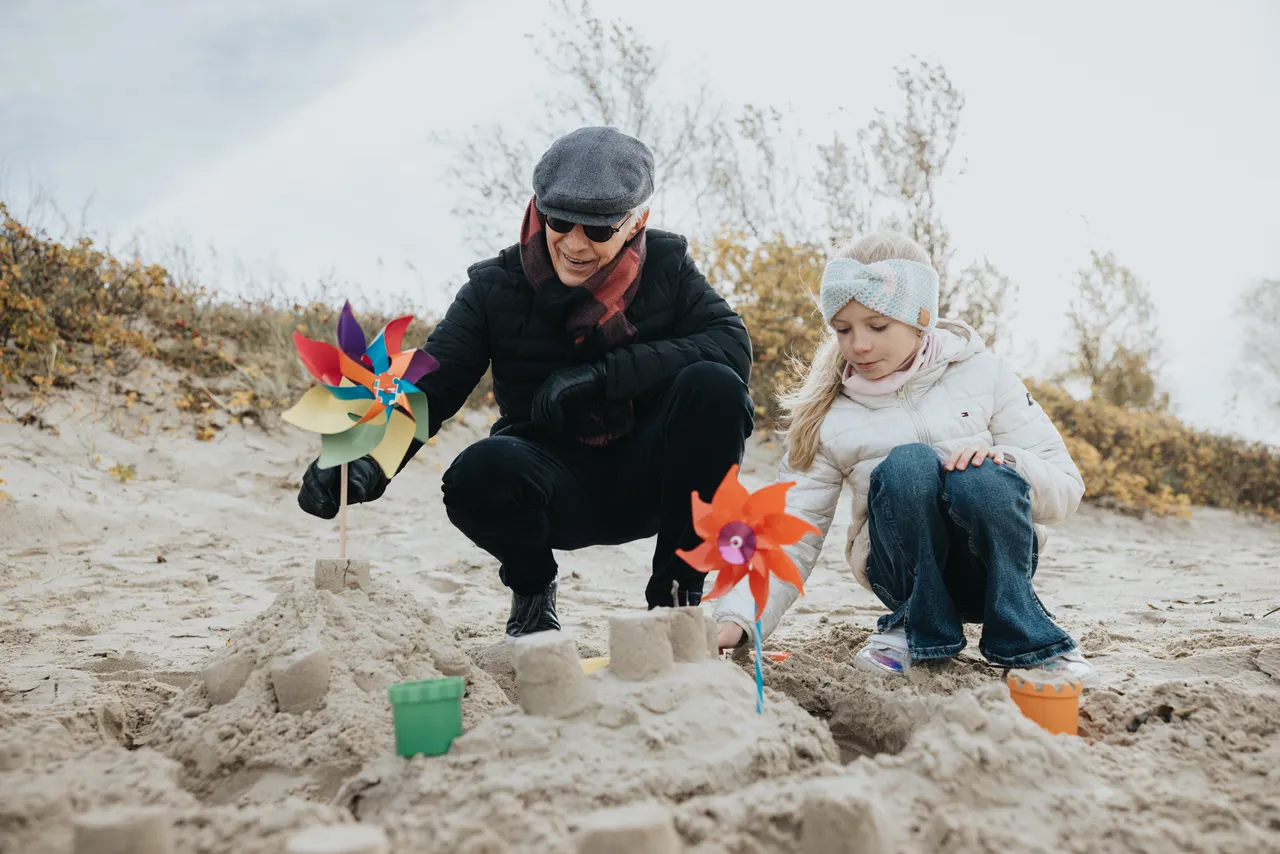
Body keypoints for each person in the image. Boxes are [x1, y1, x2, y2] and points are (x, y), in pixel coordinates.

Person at [297, 126, 754, 636]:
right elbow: (434, 382)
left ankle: (674, 606)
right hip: (549, 488)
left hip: (653, 482)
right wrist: (362, 458)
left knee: (715, 387)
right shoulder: (493, 287)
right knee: (480, 470)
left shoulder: (668, 266)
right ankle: (534, 595)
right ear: (539, 207)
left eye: (599, 231)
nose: (576, 245)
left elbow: (732, 347)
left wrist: (603, 376)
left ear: (636, 222)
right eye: (560, 221)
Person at [711, 231, 1094, 682]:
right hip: (901, 573)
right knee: (908, 464)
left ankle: (1025, 635)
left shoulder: (985, 374)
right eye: (843, 329)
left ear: (920, 319)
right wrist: (735, 617)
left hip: (994, 568)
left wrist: (1004, 460)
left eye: (877, 326)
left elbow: (1066, 488)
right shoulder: (829, 415)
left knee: (984, 475)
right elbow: (790, 528)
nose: (858, 346)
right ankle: (914, 627)